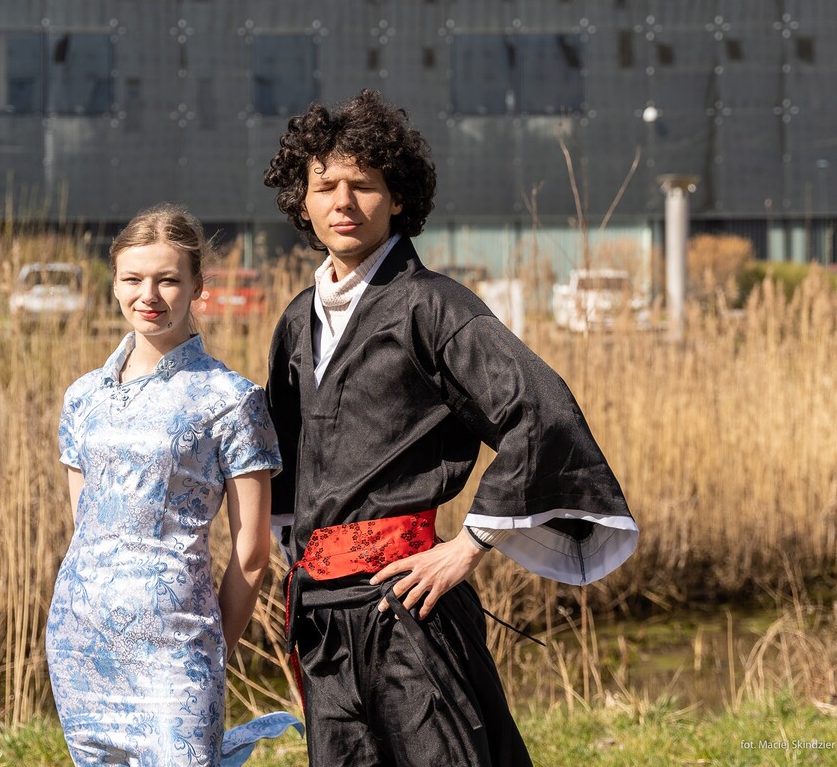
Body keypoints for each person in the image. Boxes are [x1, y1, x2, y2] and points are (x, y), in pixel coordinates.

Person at [263, 90, 639, 765]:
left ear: (398, 199)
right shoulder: (297, 320)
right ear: (304, 201)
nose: (343, 202)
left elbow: (540, 410)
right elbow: (286, 458)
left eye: (363, 186)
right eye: (325, 186)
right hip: (322, 618)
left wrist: (468, 545)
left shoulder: (434, 306)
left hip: (408, 609)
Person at [46, 204, 298, 767]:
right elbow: (84, 528)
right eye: (133, 279)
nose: (148, 295)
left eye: (167, 280)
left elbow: (252, 552)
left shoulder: (231, 400)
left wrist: (211, 649)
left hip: (177, 649)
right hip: (79, 641)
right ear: (114, 284)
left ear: (197, 286)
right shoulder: (82, 397)